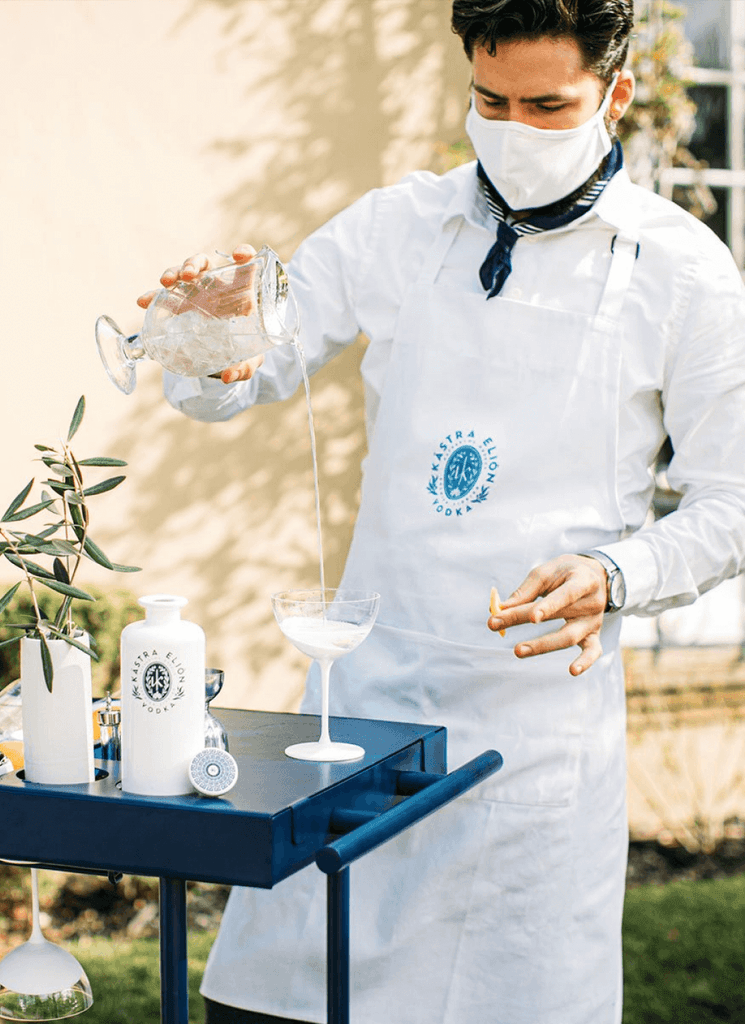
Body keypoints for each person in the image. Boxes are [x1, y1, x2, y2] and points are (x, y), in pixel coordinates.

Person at [143, 1, 745, 1021]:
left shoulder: (682, 272)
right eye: (489, 100)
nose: (513, 128)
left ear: (615, 92)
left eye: (546, 105)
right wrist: (204, 329)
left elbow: (731, 503)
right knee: (276, 1002)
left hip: (534, 753)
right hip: (360, 723)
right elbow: (239, 376)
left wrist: (616, 575)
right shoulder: (394, 226)